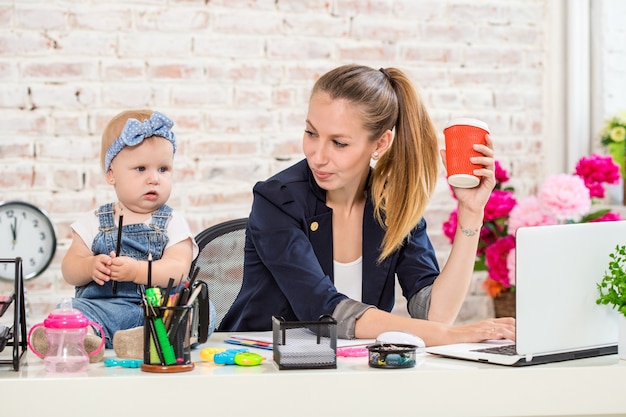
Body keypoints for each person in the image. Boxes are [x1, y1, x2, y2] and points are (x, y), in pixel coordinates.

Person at [221, 64, 515, 346]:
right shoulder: (277, 200)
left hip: (355, 369)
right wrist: (452, 335)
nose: (318, 156)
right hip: (261, 368)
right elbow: (323, 310)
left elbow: (434, 314)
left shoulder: (393, 205)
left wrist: (471, 211)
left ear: (380, 144)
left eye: (339, 143)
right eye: (311, 133)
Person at [34, 110, 214, 361]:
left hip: (160, 311)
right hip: (106, 309)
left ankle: (146, 339)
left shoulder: (172, 222)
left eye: (163, 169)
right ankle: (84, 338)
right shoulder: (94, 222)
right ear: (111, 174)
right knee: (75, 309)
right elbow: (69, 268)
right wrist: (89, 265)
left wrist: (137, 272)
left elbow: (178, 270)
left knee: (203, 309)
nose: (154, 179)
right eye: (141, 168)